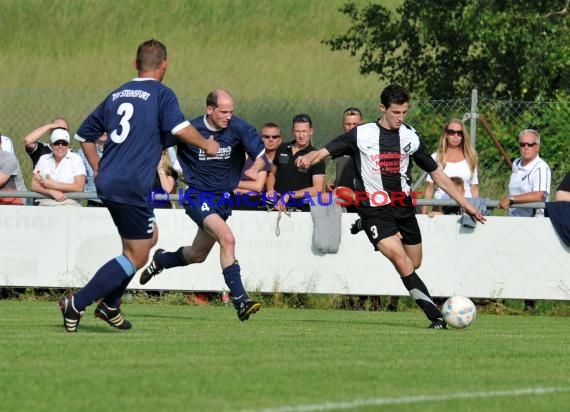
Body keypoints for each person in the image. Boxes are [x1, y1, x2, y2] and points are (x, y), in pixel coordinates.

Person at [58, 39, 219, 332]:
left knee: (147, 239)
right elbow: (180, 128)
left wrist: (97, 166)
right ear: (165, 65)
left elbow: (84, 135)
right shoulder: (161, 94)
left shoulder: (117, 94)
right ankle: (78, 302)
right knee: (138, 254)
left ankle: (110, 306)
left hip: (111, 181)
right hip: (131, 183)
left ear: (135, 64)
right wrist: (206, 144)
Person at [296, 84, 486, 329]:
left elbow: (437, 174)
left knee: (414, 262)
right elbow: (324, 151)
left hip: (402, 207)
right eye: (396, 112)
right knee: (401, 261)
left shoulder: (409, 136)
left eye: (404, 112)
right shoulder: (361, 134)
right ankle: (435, 316)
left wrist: (466, 204)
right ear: (383, 108)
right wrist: (307, 158)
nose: (401, 117)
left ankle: (364, 226)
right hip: (373, 208)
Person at [139, 89, 266, 321]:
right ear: (210, 109)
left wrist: (255, 168)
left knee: (197, 255)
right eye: (224, 112)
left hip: (223, 198)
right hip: (198, 195)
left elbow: (261, 156)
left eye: (231, 111)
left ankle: (161, 260)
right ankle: (241, 300)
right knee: (227, 238)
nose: (229, 116)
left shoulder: (238, 128)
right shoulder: (191, 129)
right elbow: (158, 141)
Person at [498, 128, 551, 313]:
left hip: (532, 223)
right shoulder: (516, 164)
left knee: (529, 264)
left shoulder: (541, 167)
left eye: (530, 144)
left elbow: (539, 194)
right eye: (522, 144)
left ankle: (530, 304)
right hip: (513, 221)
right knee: (506, 261)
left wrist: (512, 200)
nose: (526, 148)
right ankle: (499, 301)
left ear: (538, 147)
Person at [265, 114, 326, 211]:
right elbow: (271, 173)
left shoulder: (316, 157)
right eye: (297, 131)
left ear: (311, 131)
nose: (301, 135)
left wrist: (290, 195)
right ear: (293, 131)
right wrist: (270, 190)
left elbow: (317, 189)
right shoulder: (282, 148)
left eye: (304, 131)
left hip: (300, 208)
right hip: (275, 206)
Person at [420, 119, 479, 215]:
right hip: (441, 208)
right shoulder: (436, 157)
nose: (456, 136)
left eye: (459, 133)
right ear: (446, 135)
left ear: (463, 135)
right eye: (451, 132)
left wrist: (476, 210)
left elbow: (474, 188)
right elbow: (429, 188)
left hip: (466, 209)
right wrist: (423, 214)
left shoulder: (471, 157)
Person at [31, 129, 86, 206]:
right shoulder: (43, 159)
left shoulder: (76, 159)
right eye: (56, 143)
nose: (60, 146)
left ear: (68, 145)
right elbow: (34, 185)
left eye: (64, 143)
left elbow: (79, 187)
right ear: (51, 144)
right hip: (45, 204)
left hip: (69, 204)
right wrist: (51, 192)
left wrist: (53, 185)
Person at [78, 133, 107, 207]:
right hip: (93, 203)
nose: (104, 132)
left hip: (116, 204)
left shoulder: (119, 151)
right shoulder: (82, 152)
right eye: (101, 128)